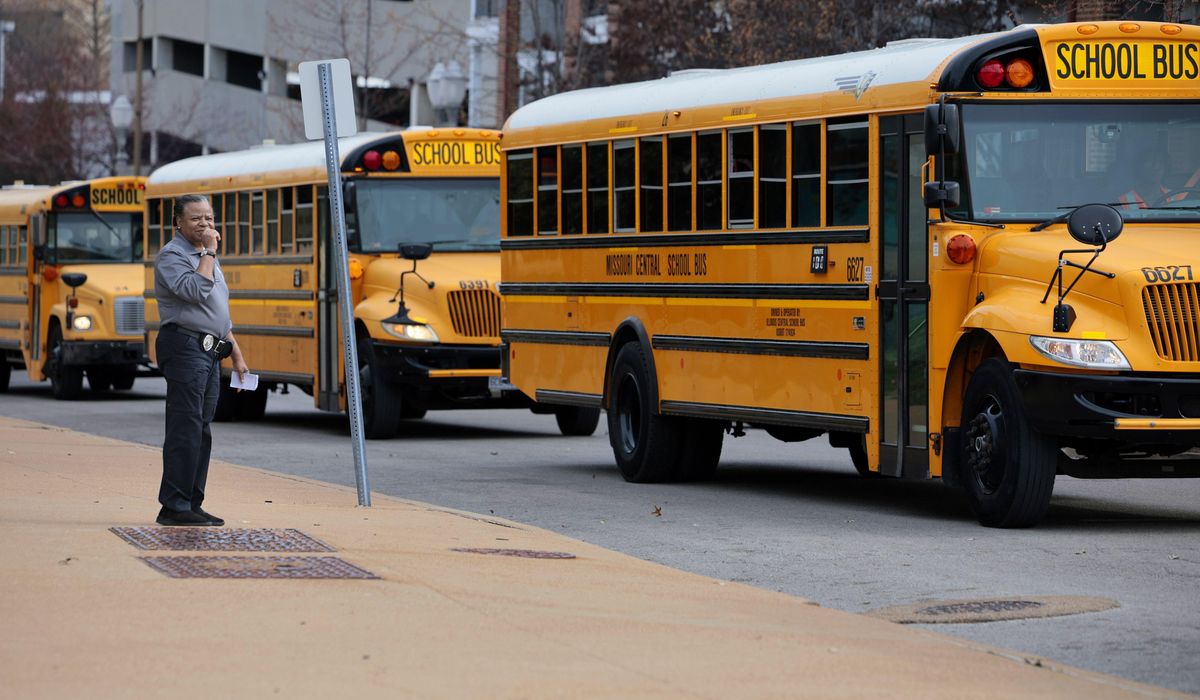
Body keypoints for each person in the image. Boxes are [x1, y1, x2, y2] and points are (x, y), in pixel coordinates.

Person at [153, 194, 248, 526]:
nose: (205, 225)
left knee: (202, 428)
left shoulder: (208, 257)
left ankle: (192, 502)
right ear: (178, 222)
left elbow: (218, 312)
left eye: (209, 218)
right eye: (196, 219)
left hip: (210, 349)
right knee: (185, 426)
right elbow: (194, 291)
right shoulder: (173, 255)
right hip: (183, 346)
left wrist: (236, 353)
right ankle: (173, 506)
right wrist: (208, 251)